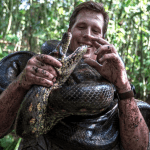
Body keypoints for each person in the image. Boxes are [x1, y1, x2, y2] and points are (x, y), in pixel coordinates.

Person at [0, 1, 149, 150]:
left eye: (95, 31)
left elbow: (140, 147)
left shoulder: (114, 82)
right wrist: (20, 83)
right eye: (81, 27)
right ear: (69, 31)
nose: (87, 35)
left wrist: (123, 86)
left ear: (103, 38)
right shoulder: (39, 69)